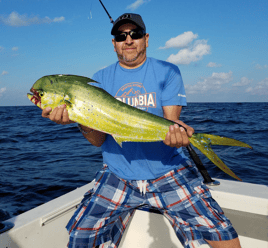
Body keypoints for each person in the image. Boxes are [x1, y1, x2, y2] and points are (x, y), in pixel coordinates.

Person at [42, 13, 241, 248]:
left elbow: (171, 122)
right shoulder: (99, 80)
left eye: (135, 34)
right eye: (120, 35)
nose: (128, 40)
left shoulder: (168, 71)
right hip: (117, 174)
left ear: (146, 39)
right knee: (80, 237)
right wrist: (79, 119)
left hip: (168, 171)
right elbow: (98, 141)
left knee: (222, 238)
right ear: (113, 43)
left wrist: (178, 137)